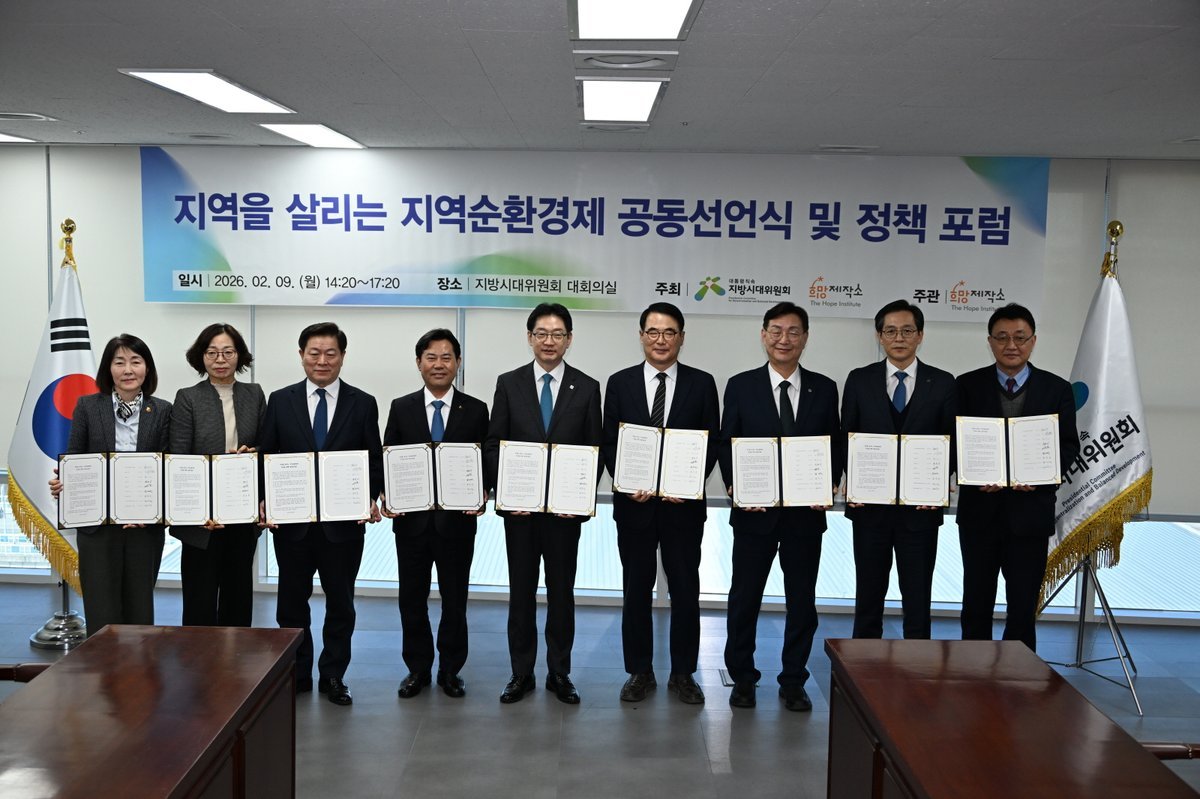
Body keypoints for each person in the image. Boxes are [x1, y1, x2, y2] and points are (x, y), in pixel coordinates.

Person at [718, 302, 842, 711]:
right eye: (776, 330)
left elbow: (834, 443)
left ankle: (793, 680)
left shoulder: (824, 388)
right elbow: (727, 442)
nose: (783, 339)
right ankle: (742, 678)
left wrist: (830, 481)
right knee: (744, 600)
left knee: (802, 602)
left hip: (805, 518)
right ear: (763, 335)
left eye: (792, 331)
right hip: (754, 516)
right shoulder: (741, 385)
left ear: (805, 337)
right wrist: (736, 486)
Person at [258, 322, 382, 705]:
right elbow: (266, 456)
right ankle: (297, 673)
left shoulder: (363, 403)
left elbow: (373, 460)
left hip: (343, 527)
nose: (322, 361)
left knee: (341, 605)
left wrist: (370, 498)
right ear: (301, 356)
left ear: (342, 356)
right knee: (291, 605)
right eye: (314, 353)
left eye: (331, 353)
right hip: (292, 526)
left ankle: (333, 676)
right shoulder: (280, 400)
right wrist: (263, 500)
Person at [484, 303, 602, 705]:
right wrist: (506, 492)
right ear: (529, 337)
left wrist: (579, 499)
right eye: (541, 333)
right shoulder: (509, 383)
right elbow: (494, 444)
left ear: (569, 339)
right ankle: (521, 672)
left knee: (561, 593)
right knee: (520, 592)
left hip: (564, 516)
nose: (549, 341)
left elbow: (594, 450)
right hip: (520, 514)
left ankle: (559, 672)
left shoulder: (587, 387)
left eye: (557, 334)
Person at [601, 302, 719, 705]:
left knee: (685, 590)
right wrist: (625, 482)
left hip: (683, 508)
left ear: (682, 337)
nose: (661, 340)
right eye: (653, 331)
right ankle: (639, 671)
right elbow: (610, 441)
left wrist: (687, 483)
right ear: (641, 336)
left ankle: (684, 673)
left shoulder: (702, 383)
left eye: (669, 332)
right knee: (636, 590)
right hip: (634, 507)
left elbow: (711, 442)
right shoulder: (620, 383)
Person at [956, 303, 1079, 651]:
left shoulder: (1057, 389)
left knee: (1023, 606)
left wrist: (1040, 477)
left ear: (1033, 341)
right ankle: (972, 670)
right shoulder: (966, 386)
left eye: (1020, 337)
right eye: (1002, 337)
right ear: (990, 342)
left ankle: (1020, 676)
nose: (1011, 345)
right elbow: (954, 443)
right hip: (980, 514)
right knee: (976, 601)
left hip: (1030, 516)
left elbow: (1068, 447)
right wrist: (972, 474)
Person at [383, 329, 489, 699]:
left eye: (446, 357)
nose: (439, 364)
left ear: (458, 363)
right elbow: (389, 457)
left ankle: (450, 669)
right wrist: (387, 494)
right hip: (411, 523)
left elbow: (485, 460)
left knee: (455, 600)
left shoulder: (476, 409)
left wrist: (484, 492)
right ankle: (417, 668)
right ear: (419, 363)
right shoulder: (402, 407)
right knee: (411, 599)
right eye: (431, 357)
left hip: (457, 523)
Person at [841, 299, 956, 640]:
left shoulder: (943, 382)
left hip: (920, 512)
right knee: (868, 598)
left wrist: (939, 484)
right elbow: (847, 437)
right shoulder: (859, 380)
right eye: (890, 331)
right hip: (870, 510)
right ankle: (862, 666)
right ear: (879, 336)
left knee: (918, 600)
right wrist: (852, 482)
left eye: (907, 330)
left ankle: (917, 668)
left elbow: (951, 442)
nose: (899, 338)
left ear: (920, 335)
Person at [50, 334, 172, 634]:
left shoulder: (163, 410)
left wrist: (153, 510)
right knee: (101, 610)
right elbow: (75, 456)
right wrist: (64, 481)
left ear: (147, 368)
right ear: (108, 368)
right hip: (98, 528)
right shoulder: (88, 406)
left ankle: (139, 665)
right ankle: (103, 666)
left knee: (139, 610)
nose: (128, 370)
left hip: (144, 528)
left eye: (135, 361)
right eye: (119, 362)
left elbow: (169, 467)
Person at [169, 323, 266, 627]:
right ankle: (199, 660)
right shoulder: (188, 397)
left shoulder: (254, 394)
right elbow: (179, 458)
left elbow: (268, 447)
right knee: (199, 601)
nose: (220, 359)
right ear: (201, 357)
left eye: (228, 352)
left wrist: (254, 452)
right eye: (212, 352)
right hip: (201, 521)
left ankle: (236, 658)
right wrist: (197, 512)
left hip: (241, 514)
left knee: (238, 600)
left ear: (239, 355)